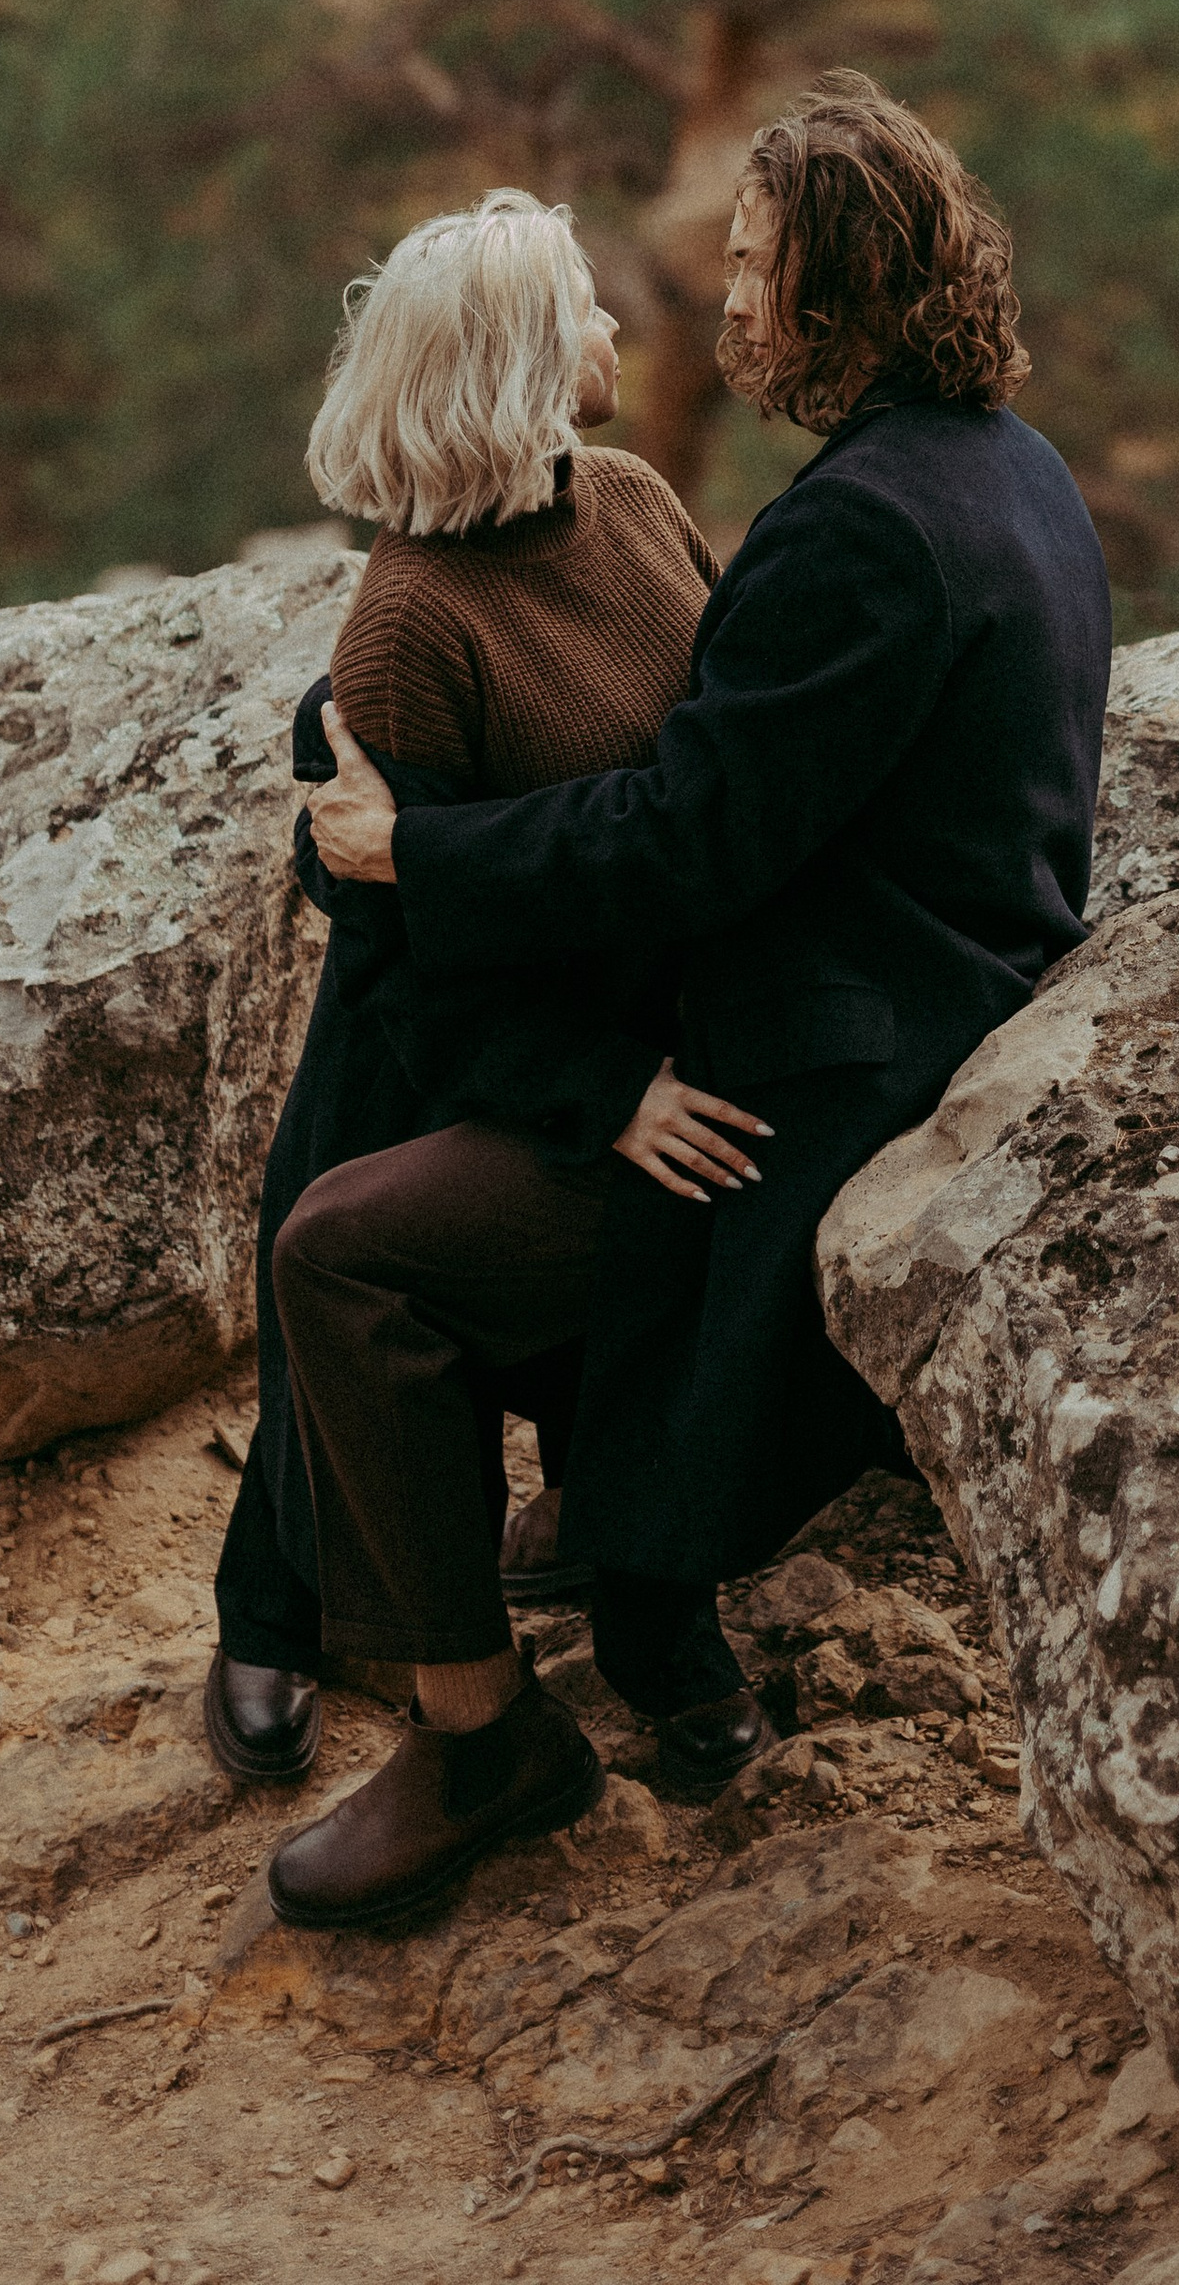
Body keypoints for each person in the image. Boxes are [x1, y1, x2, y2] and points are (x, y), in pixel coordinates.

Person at [278, 73, 1113, 1931]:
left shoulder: (849, 528)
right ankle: (632, 1607)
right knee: (443, 1182)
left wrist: (423, 862)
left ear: (843, 300)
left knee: (349, 1254)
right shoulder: (1011, 471)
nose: (714, 306)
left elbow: (687, 837)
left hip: (809, 1076)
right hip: (912, 1008)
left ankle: (485, 1730)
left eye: (753, 271)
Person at [204, 187, 766, 1815]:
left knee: (604, 1338)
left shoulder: (641, 497)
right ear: (521, 365)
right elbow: (405, 970)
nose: (615, 332)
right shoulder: (405, 631)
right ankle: (282, 1623)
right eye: (582, 312)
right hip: (465, 1048)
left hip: (640, 1008)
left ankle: (656, 1637)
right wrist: (602, 1093)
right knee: (342, 1286)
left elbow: (716, 759)